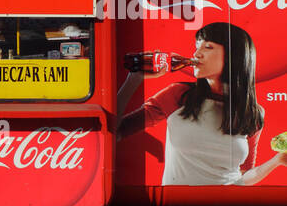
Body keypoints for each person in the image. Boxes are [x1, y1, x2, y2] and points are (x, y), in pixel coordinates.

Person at [117, 21, 286, 186]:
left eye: (208, 47)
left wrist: (277, 160)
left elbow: (244, 175)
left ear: (233, 56)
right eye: (197, 45)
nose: (196, 54)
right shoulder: (179, 94)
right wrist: (133, 80)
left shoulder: (253, 112)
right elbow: (115, 131)